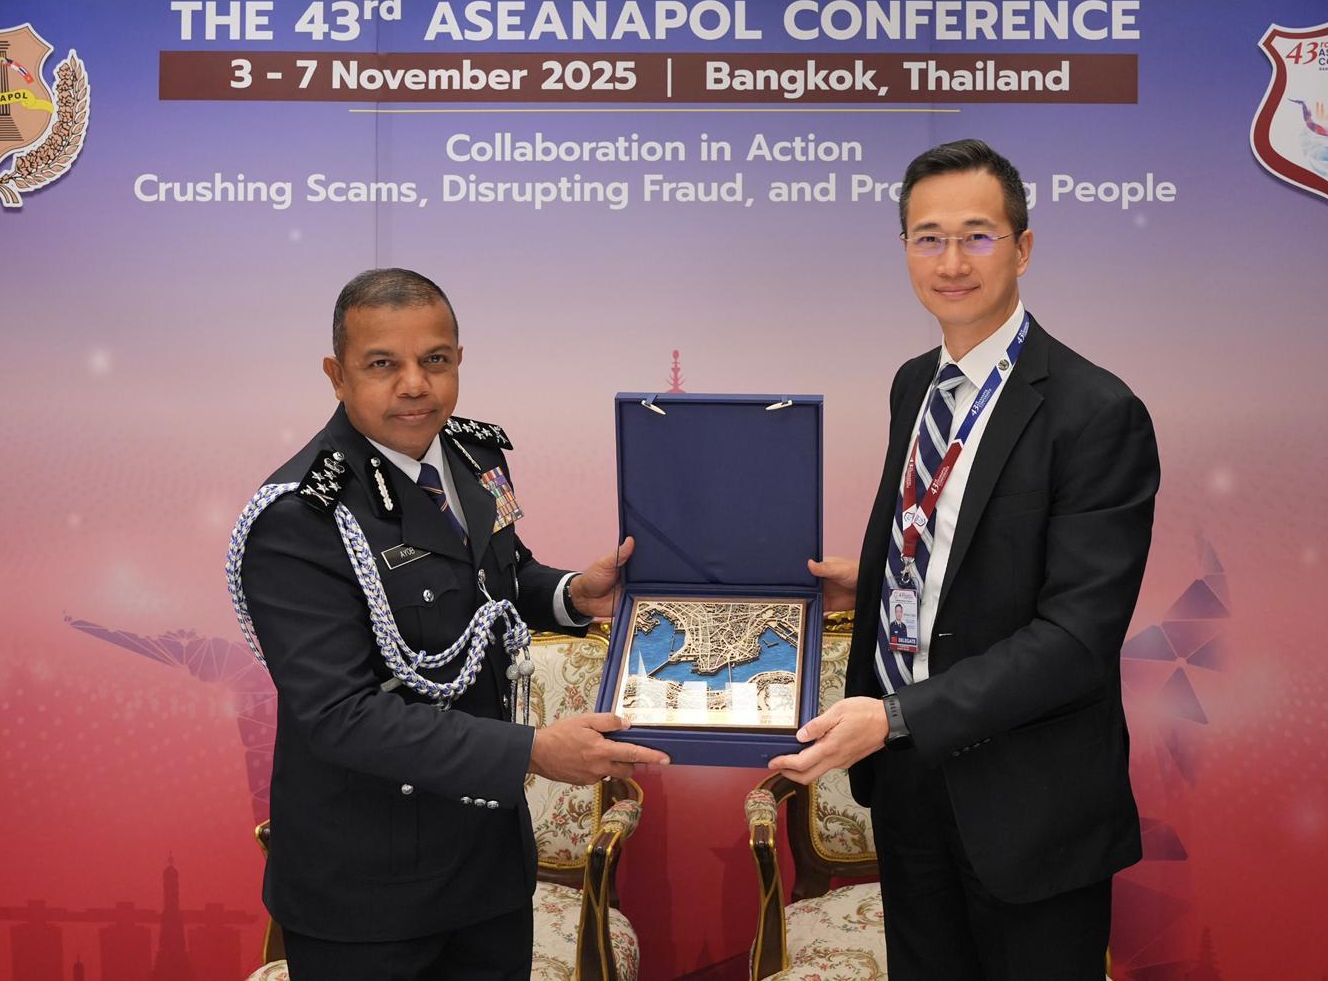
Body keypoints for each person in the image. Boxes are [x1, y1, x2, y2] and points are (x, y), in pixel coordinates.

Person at [770, 140, 1159, 979]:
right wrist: (868, 583)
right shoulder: (914, 383)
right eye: (927, 237)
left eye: (978, 236)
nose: (951, 262)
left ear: (1023, 247)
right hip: (910, 786)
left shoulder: (1097, 413)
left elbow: (1076, 638)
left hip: (1030, 804)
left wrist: (899, 716)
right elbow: (947, 543)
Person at [230, 268, 668, 980]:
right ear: (336, 376)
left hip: (487, 869)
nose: (414, 384)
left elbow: (498, 577)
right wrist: (531, 751)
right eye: (382, 365)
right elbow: (340, 715)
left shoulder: (472, 456)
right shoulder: (299, 517)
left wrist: (572, 594)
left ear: (457, 362)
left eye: (434, 360)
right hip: (367, 894)